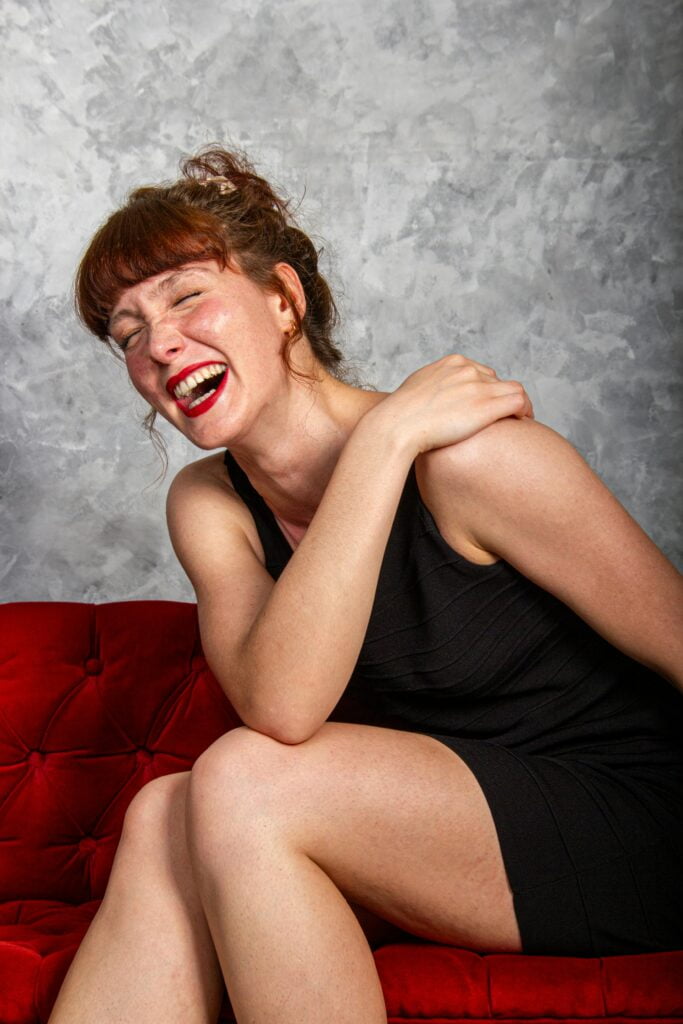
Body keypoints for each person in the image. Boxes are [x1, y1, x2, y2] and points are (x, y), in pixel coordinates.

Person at [48, 147, 683, 1024]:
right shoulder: (209, 501)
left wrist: (394, 441)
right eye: (126, 334)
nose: (157, 344)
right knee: (168, 810)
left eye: (187, 296)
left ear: (283, 300)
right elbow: (281, 703)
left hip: (632, 821)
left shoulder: (474, 461)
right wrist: (381, 445)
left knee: (240, 781)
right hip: (440, 828)